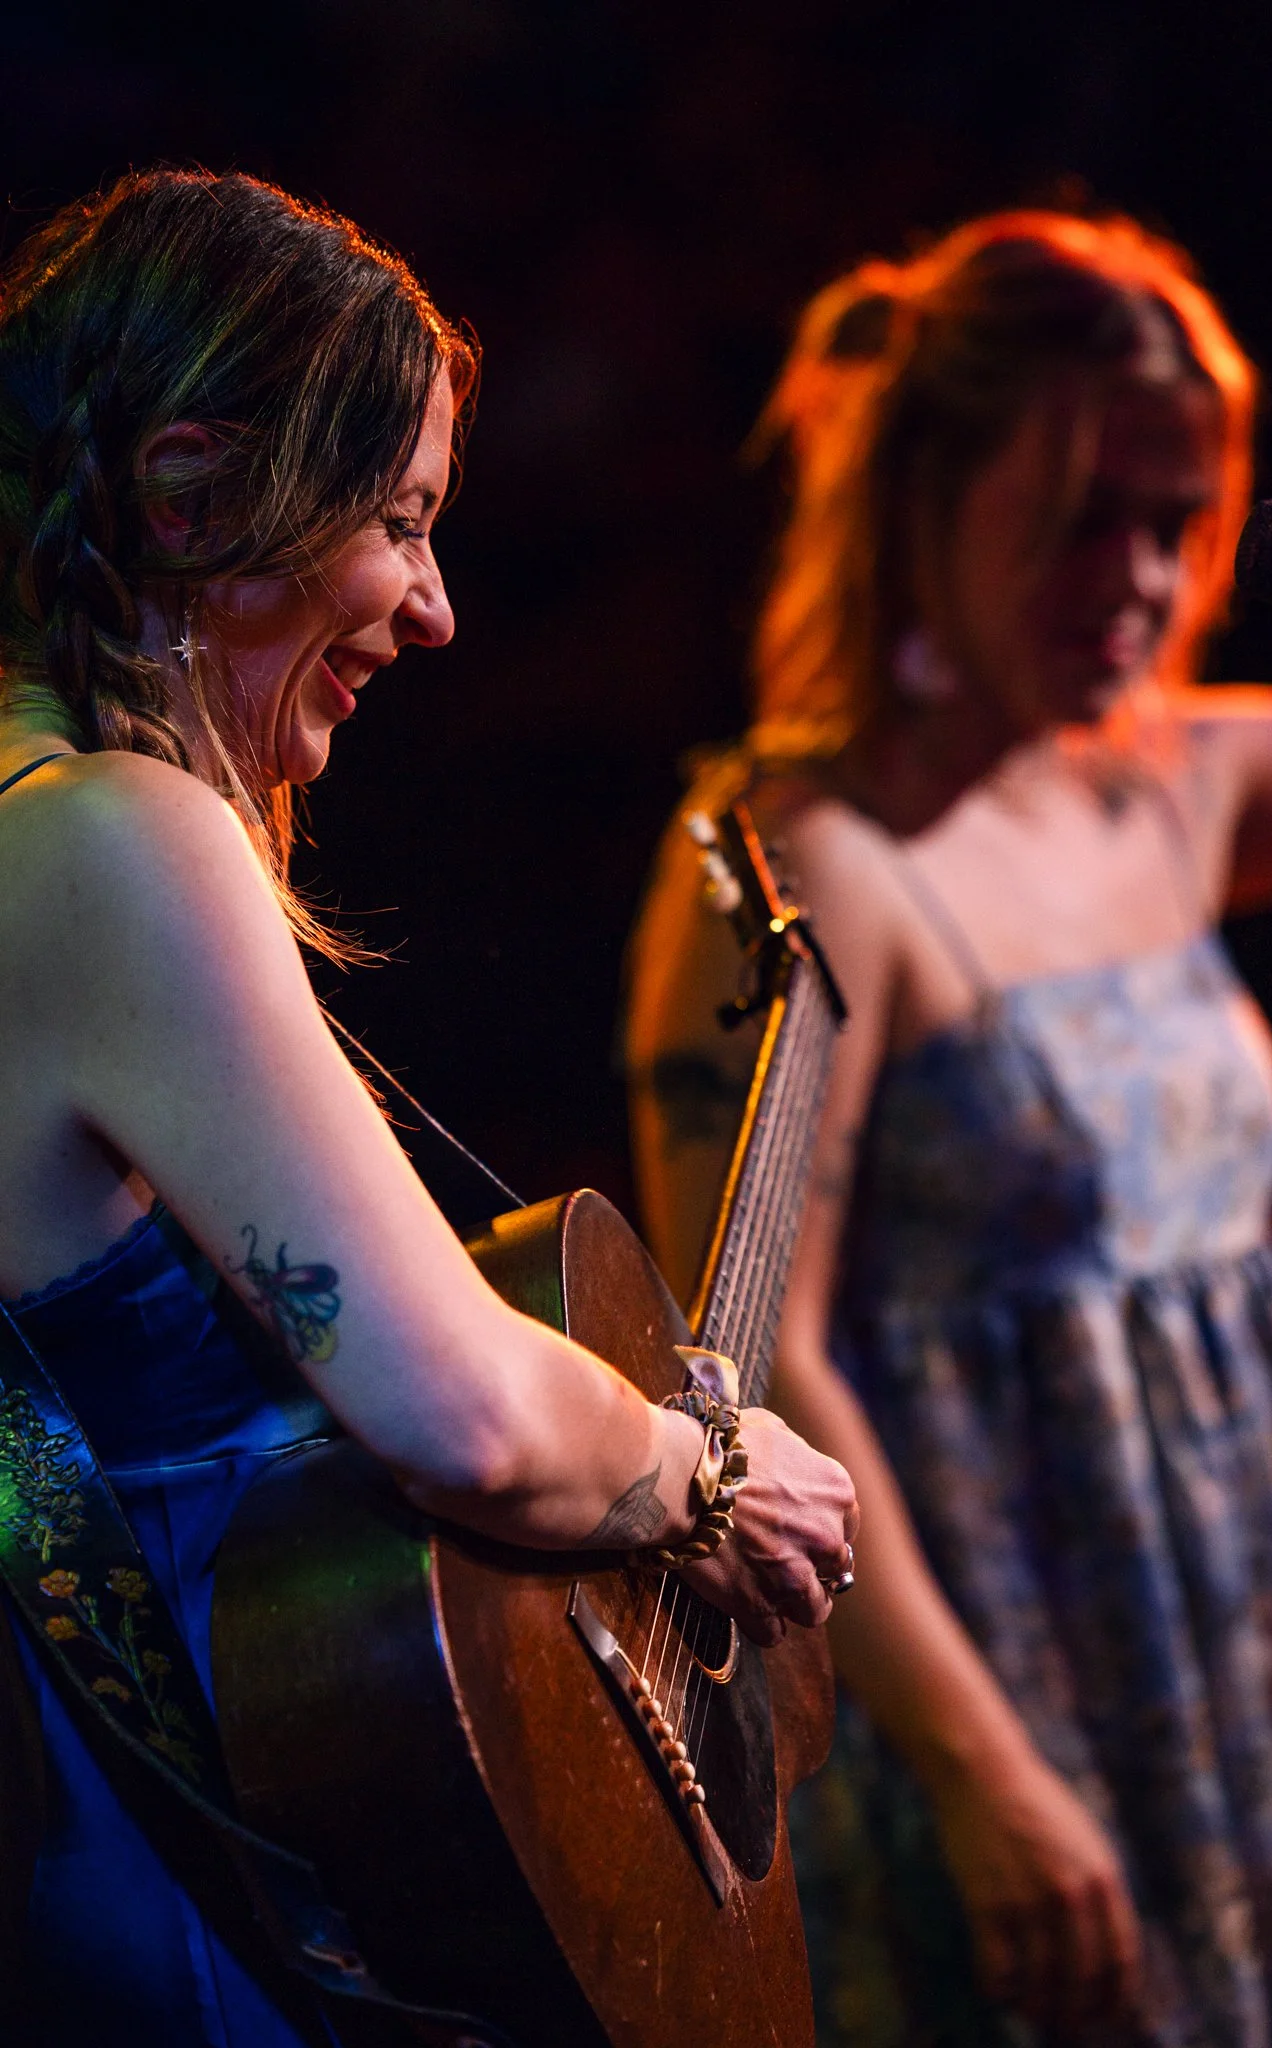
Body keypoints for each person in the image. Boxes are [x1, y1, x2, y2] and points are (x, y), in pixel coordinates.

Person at [0, 169, 857, 2048]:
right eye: (397, 524)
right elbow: (459, 1410)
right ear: (187, 491)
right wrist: (702, 1472)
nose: (441, 611)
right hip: (189, 1901)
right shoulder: (108, 841)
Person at [626, 210, 1272, 2047]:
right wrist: (984, 1771)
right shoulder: (802, 860)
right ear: (920, 504)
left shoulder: (1171, 780)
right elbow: (756, 1357)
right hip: (989, 1667)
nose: (1135, 579)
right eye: (1078, 519)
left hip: (1223, 1633)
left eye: (1178, 524)